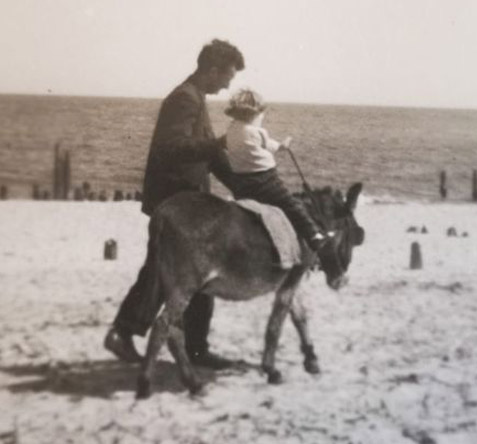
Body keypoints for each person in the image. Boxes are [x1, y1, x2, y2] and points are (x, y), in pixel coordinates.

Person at [104, 39, 245, 368]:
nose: (228, 84)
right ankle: (185, 346)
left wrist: (243, 185)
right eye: (228, 76)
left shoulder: (195, 97)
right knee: (183, 271)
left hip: (183, 204)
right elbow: (171, 148)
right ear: (212, 70)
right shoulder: (184, 99)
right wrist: (220, 142)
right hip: (176, 204)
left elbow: (210, 155)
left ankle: (183, 345)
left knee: (179, 271)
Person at [224, 89, 327, 251]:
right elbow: (271, 145)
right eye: (261, 114)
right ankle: (313, 235)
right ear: (254, 114)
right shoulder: (258, 132)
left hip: (240, 182)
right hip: (265, 180)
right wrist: (282, 146)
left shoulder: (231, 130)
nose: (262, 118)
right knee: (291, 205)